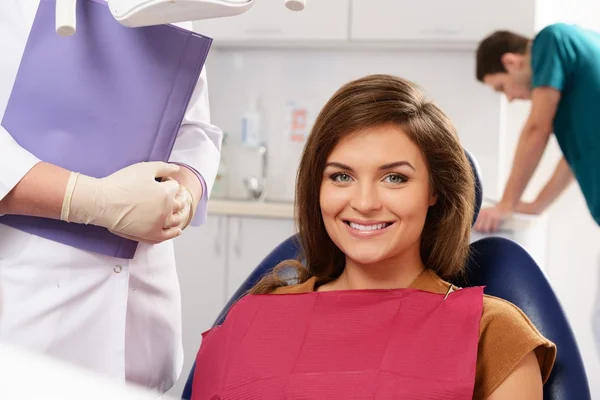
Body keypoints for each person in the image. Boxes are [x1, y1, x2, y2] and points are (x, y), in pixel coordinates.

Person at [189, 75, 557, 399]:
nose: (364, 203)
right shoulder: (252, 320)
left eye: (394, 177)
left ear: (434, 191)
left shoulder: (492, 334)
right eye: (341, 176)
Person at [0, 0, 222, 393]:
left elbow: (194, 129)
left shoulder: (171, 5)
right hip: (32, 318)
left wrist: (183, 198)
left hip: (143, 315)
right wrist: (93, 198)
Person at [472, 23, 600, 233]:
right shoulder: (573, 98)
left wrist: (506, 205)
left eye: (501, 87)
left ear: (511, 62)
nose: (510, 98)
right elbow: (575, 158)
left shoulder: (551, 40)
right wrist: (537, 205)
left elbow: (536, 129)